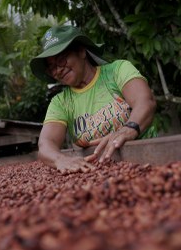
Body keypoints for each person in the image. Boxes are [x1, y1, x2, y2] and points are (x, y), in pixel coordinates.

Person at [30, 25, 156, 173]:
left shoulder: (117, 71)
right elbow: (46, 143)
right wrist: (60, 159)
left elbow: (145, 101)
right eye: (51, 67)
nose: (58, 70)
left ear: (81, 51)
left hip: (146, 161)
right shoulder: (60, 102)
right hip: (98, 172)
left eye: (62, 60)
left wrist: (128, 129)